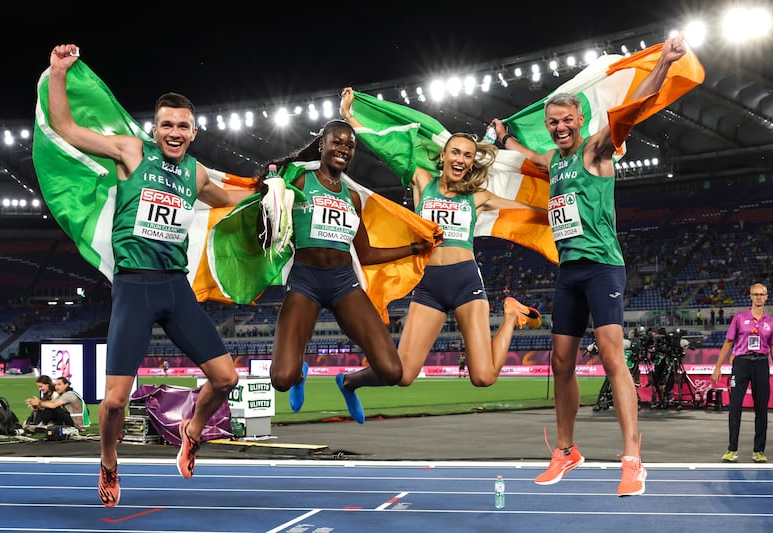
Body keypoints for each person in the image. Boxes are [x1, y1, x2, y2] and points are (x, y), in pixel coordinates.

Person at [47, 43, 257, 508]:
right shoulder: (130, 152)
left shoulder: (197, 174)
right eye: (167, 124)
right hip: (133, 289)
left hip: (174, 288)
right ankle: (107, 460)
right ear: (155, 127)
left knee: (225, 380)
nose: (175, 132)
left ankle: (192, 429)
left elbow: (227, 199)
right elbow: (65, 128)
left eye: (183, 125)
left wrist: (272, 193)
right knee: (115, 403)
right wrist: (58, 73)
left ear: (194, 131)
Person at [491, 34, 689, 496]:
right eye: (553, 122)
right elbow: (528, 154)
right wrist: (504, 138)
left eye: (566, 120)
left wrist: (661, 63)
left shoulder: (597, 149)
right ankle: (565, 450)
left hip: (602, 267)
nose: (560, 127)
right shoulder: (554, 161)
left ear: (581, 118)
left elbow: (633, 109)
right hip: (569, 272)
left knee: (612, 358)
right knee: (560, 361)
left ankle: (633, 459)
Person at [336, 89, 544, 419]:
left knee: (484, 377)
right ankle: (348, 381)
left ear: (471, 162)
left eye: (467, 155)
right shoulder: (422, 182)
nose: (461, 159)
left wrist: (561, 208)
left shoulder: (479, 197)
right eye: (456, 153)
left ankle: (510, 313)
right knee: (402, 375)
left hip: (465, 284)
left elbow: (526, 210)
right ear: (443, 156)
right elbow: (388, 148)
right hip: (430, 285)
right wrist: (351, 117)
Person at [264, 119, 435, 422]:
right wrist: (271, 191)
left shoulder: (352, 197)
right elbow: (271, 214)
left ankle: (349, 382)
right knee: (281, 378)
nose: (343, 149)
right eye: (337, 142)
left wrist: (414, 249)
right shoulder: (301, 181)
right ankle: (299, 374)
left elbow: (366, 253)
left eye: (350, 146)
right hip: (305, 281)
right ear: (322, 145)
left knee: (392, 370)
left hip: (344, 283)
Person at [711, 282, 773, 463]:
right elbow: (728, 343)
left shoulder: (771, 322)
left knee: (761, 409)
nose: (759, 297)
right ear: (750, 296)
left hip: (761, 364)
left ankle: (759, 451)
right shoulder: (739, 318)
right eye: (756, 294)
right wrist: (718, 366)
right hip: (741, 364)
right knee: (735, 407)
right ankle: (732, 449)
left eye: (762, 294)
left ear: (767, 297)